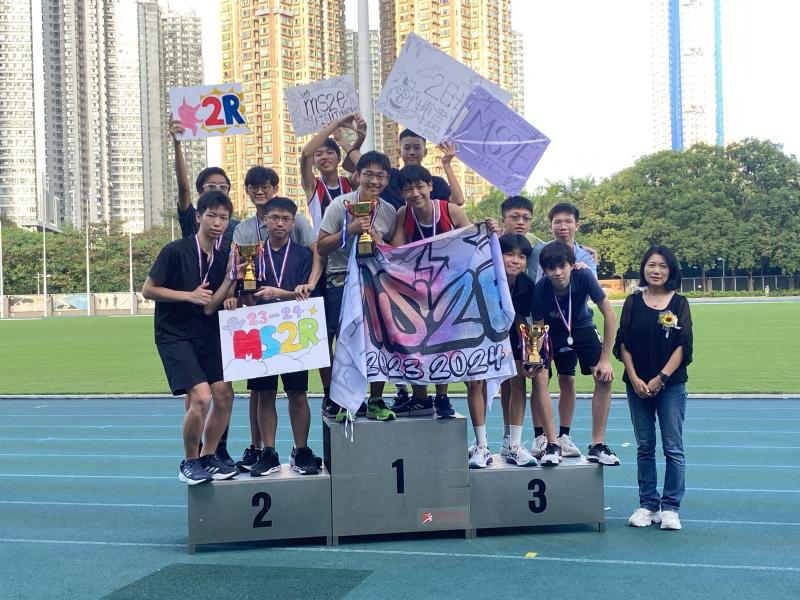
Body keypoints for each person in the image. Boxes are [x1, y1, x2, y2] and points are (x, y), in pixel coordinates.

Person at [142, 190, 241, 485]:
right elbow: (148, 290)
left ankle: (209, 456)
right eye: (211, 215)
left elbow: (209, 306)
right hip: (174, 335)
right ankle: (189, 460)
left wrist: (230, 278)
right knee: (200, 396)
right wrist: (188, 295)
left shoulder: (222, 256)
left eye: (224, 218)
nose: (217, 222)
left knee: (224, 395)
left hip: (207, 333)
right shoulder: (175, 250)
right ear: (198, 217)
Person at [231, 166, 321, 471]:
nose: (279, 223)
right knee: (265, 393)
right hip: (261, 333)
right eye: (274, 218)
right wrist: (244, 293)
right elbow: (248, 296)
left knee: (298, 393)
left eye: (285, 219)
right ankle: (268, 451)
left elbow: (306, 295)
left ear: (293, 222)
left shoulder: (304, 257)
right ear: (265, 221)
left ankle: (301, 450)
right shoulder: (251, 256)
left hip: (292, 332)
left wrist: (280, 293)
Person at [613, 246, 692, 530]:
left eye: (662, 266)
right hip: (637, 385)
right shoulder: (633, 302)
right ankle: (648, 504)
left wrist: (660, 378)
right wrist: (634, 378)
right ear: (644, 268)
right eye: (651, 265)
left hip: (670, 385)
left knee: (673, 447)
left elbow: (683, 346)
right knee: (645, 446)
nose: (656, 270)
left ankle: (670, 507)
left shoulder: (680, 303)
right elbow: (624, 343)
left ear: (670, 271)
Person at [316, 151, 398, 421]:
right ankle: (337, 398)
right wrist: (349, 230)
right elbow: (321, 246)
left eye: (380, 176)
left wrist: (379, 242)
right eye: (369, 174)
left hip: (375, 282)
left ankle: (375, 398)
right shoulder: (341, 205)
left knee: (378, 340)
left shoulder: (388, 212)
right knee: (342, 341)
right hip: (340, 280)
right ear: (358, 176)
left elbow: (396, 252)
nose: (374, 180)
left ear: (386, 179)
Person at [387, 164, 473, 418]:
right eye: (408, 188)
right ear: (402, 193)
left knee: (443, 345)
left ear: (430, 187)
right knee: (415, 343)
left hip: (447, 288)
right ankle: (420, 397)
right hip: (417, 291)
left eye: (419, 186)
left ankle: (443, 397)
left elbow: (471, 243)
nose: (415, 193)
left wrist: (486, 229)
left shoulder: (451, 211)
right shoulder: (404, 214)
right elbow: (398, 252)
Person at [532, 242, 620, 465]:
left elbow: (610, 316)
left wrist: (605, 359)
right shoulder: (541, 288)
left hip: (581, 327)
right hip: (552, 331)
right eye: (551, 268)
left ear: (572, 265)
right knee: (540, 376)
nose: (558, 272)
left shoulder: (585, 276)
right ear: (544, 270)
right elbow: (539, 328)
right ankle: (552, 444)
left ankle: (597, 444)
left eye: (562, 266)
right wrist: (534, 358)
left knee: (604, 377)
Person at [530, 202, 597, 459]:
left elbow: (591, 293)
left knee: (567, 379)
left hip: (573, 325)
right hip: (540, 325)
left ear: (577, 225)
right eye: (557, 222)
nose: (563, 226)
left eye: (568, 221)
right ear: (550, 226)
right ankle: (541, 437)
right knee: (539, 380)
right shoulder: (538, 250)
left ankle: (564, 435)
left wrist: (583, 267)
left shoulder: (585, 257)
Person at [169, 116, 239, 253]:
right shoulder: (193, 218)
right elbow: (183, 188)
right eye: (211, 186)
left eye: (223, 187)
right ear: (200, 192)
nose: (217, 190)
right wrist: (177, 144)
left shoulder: (237, 227)